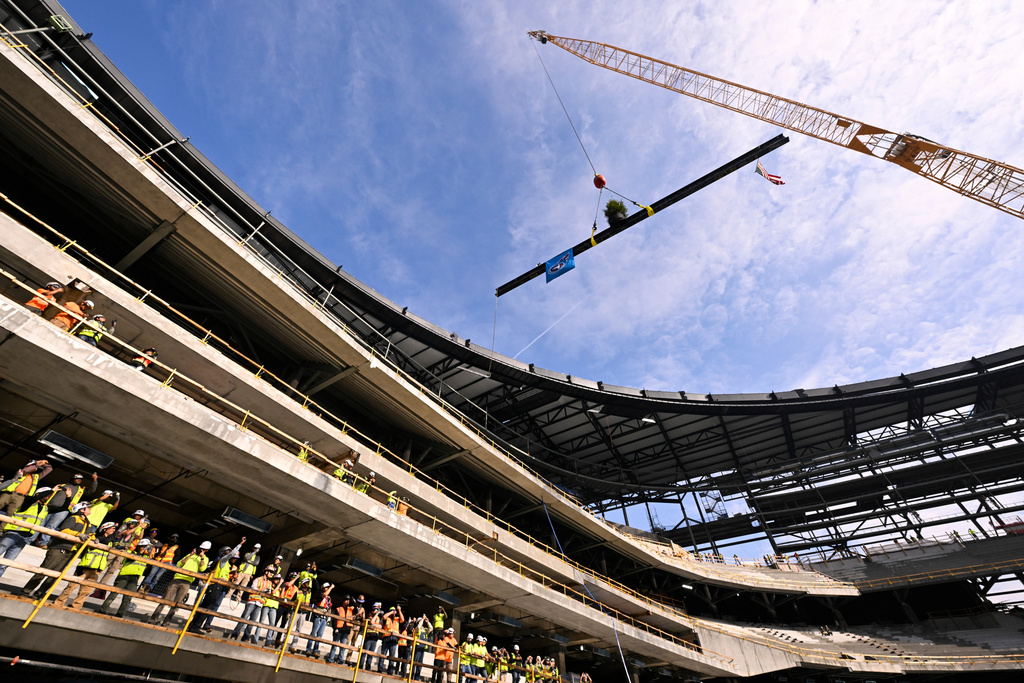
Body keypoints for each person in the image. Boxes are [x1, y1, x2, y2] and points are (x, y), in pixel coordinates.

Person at [20, 501, 91, 598]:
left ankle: (39, 594)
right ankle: (25, 592)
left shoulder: (88, 523)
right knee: (44, 571)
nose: (90, 509)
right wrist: (78, 534)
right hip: (59, 548)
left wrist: (94, 539)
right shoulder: (73, 518)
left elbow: (89, 535)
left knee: (55, 575)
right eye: (88, 508)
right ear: (82, 510)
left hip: (71, 552)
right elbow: (64, 529)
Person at [148, 540, 211, 626]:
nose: (201, 550)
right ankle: (153, 619)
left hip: (187, 582)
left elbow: (202, 569)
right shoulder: (190, 555)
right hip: (177, 578)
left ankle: (167, 622)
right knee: (164, 599)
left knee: (177, 603)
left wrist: (202, 557)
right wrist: (190, 555)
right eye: (200, 549)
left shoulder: (205, 559)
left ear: (206, 550)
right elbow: (179, 564)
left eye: (203, 549)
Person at [58, 521, 117, 609]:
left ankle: (77, 606)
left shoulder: (110, 542)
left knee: (86, 590)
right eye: (112, 528)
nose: (114, 530)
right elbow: (104, 540)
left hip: (97, 569)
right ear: (105, 529)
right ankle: (59, 603)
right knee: (71, 586)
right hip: (85, 566)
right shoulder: (96, 538)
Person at [191, 538, 245, 633]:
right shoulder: (222, 560)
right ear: (224, 553)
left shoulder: (223, 562)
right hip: (216, 586)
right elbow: (232, 554)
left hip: (216, 586)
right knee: (207, 607)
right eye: (228, 552)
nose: (230, 554)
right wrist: (240, 543)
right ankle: (195, 627)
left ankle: (193, 625)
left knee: (205, 606)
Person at [33, 473, 99, 548]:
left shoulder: (81, 489)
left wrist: (95, 480)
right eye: (77, 478)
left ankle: (43, 543)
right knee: (39, 523)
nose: (79, 480)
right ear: (72, 479)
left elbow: (91, 490)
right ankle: (30, 538)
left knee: (51, 526)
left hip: (63, 510)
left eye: (80, 479)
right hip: (49, 507)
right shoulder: (62, 485)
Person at [0, 488, 51, 582]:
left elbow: (62, 508)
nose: (49, 496)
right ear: (39, 494)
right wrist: (52, 490)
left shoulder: (45, 508)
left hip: (24, 538)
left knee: (5, 564)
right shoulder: (28, 502)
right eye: (47, 494)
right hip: (13, 533)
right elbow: (33, 498)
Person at [100, 537, 155, 617]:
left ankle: (120, 614)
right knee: (114, 594)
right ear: (140, 546)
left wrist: (150, 553)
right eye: (144, 546)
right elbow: (131, 558)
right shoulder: (130, 552)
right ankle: (103, 610)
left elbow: (150, 564)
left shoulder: (145, 557)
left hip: (134, 578)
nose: (145, 548)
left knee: (128, 598)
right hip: (124, 575)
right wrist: (141, 551)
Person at [231, 564, 275, 643]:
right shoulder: (258, 579)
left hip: (260, 604)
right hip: (252, 602)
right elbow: (253, 588)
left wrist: (266, 592)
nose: (271, 574)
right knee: (243, 618)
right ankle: (234, 635)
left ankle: (246, 637)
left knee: (252, 621)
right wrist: (262, 591)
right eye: (270, 572)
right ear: (266, 572)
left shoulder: (269, 583)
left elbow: (269, 593)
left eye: (272, 572)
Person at [305, 581, 334, 657]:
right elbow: (324, 595)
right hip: (318, 616)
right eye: (327, 588)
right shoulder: (320, 594)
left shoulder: (329, 598)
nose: (328, 589)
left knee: (320, 635)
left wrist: (329, 617)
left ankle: (316, 649)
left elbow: (329, 607)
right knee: (313, 632)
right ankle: (308, 649)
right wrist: (331, 587)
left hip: (325, 618)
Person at [326, 594, 354, 664]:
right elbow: (334, 620)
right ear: (343, 601)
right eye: (346, 600)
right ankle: (331, 659)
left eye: (349, 600)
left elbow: (356, 611)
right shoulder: (338, 609)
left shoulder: (350, 609)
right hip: (338, 630)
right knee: (334, 646)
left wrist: (355, 603)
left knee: (343, 647)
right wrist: (335, 628)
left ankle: (340, 661)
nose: (348, 601)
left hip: (346, 631)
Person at [361, 602, 384, 670]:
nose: (376, 611)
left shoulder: (378, 619)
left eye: (377, 610)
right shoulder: (369, 617)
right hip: (369, 637)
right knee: (364, 652)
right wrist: (376, 615)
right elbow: (371, 622)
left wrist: (374, 625)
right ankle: (360, 665)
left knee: (371, 654)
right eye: (375, 609)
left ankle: (368, 667)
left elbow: (380, 626)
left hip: (375, 638)